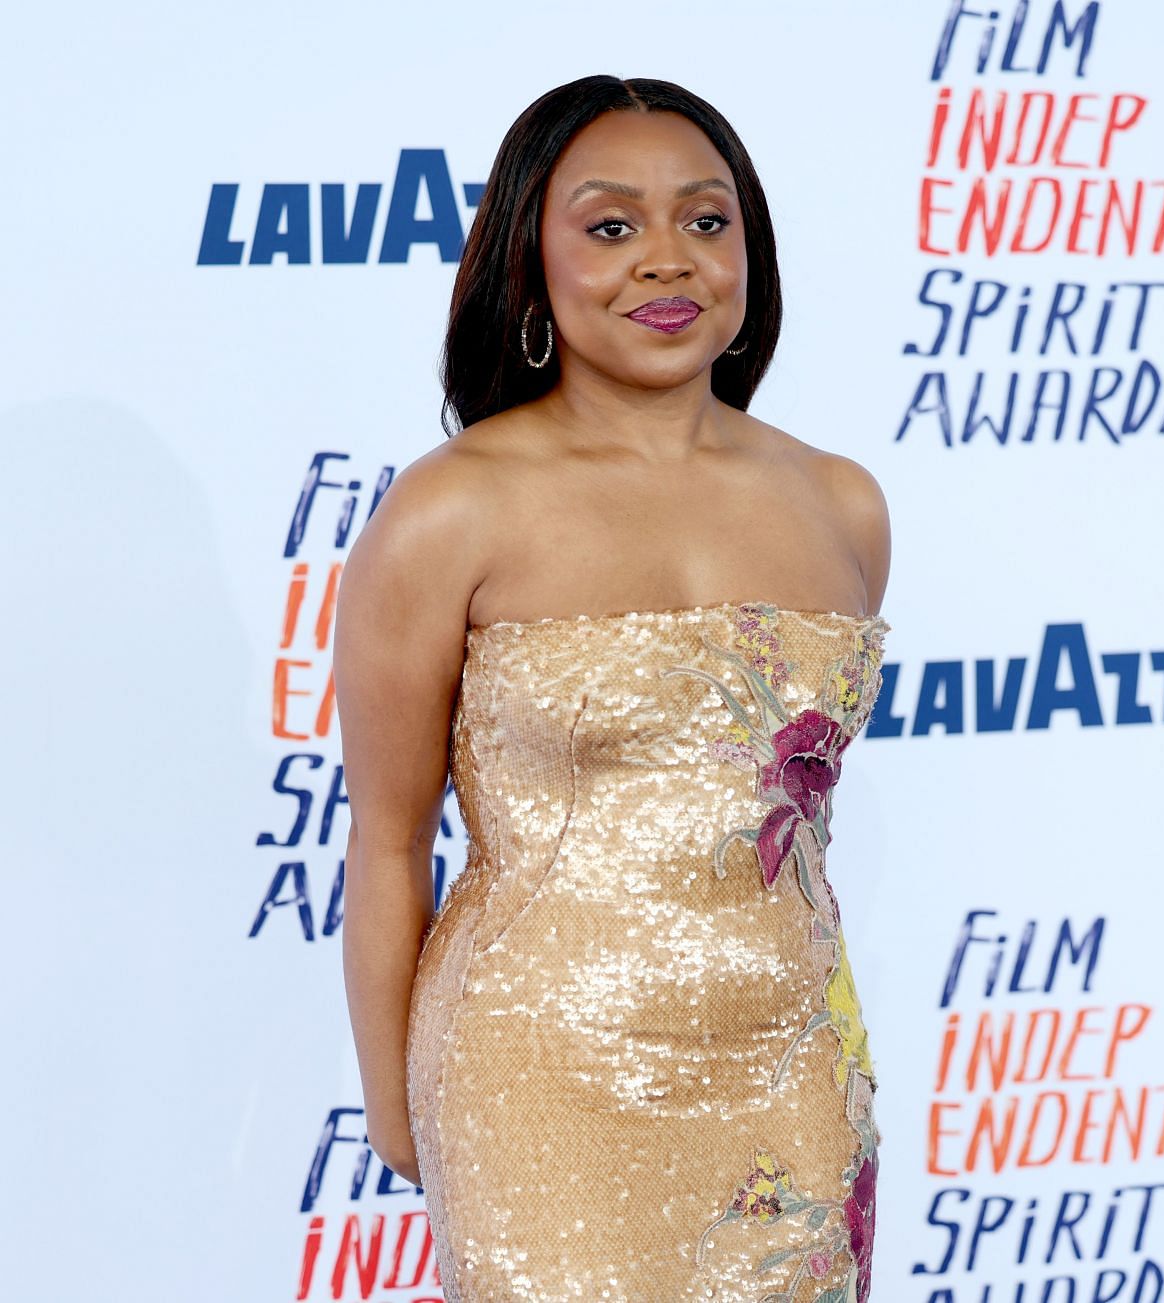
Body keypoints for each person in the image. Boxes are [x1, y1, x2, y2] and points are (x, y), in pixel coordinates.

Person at [335, 75, 892, 1302]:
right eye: (609, 227)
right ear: (531, 261)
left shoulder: (840, 501)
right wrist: (396, 1105)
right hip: (539, 1081)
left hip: (793, 1073)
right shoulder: (451, 508)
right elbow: (387, 842)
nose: (667, 261)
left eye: (706, 221)